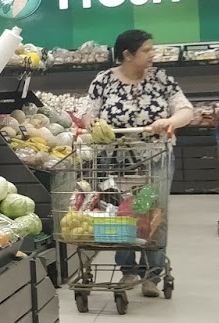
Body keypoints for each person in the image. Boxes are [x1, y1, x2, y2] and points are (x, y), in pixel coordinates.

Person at [83, 30, 195, 297]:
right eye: (146, 50)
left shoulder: (161, 79)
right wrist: (93, 123)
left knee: (154, 215)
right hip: (116, 160)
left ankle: (152, 274)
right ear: (127, 54)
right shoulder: (103, 80)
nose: (152, 54)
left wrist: (169, 121)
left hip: (155, 158)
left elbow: (186, 110)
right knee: (119, 213)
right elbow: (87, 113)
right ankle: (127, 269)